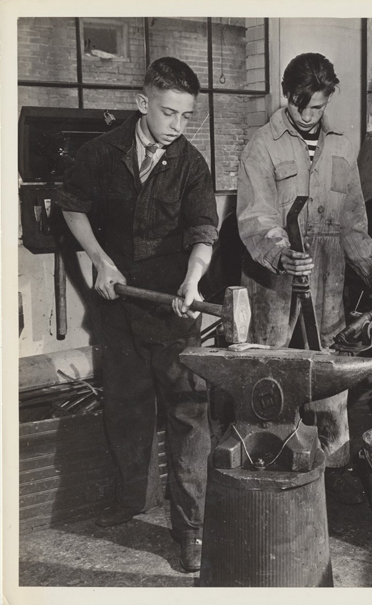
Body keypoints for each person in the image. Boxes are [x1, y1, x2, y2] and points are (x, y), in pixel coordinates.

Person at [58, 57, 218, 573]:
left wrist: (193, 279)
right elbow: (72, 205)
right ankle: (132, 499)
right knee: (126, 406)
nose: (177, 126)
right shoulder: (101, 152)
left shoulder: (191, 163)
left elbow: (203, 230)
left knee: (188, 415)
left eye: (187, 116)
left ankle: (192, 529)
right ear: (142, 102)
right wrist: (99, 260)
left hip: (173, 307)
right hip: (118, 304)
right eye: (169, 113)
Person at [236, 52, 372, 505]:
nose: (310, 115)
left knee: (330, 384)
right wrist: (280, 255)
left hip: (328, 288)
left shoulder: (340, 147)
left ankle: (330, 485)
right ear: (286, 94)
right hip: (275, 292)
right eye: (302, 106)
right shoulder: (262, 146)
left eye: (318, 106)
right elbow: (256, 218)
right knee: (273, 385)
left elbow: (353, 223)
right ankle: (269, 484)